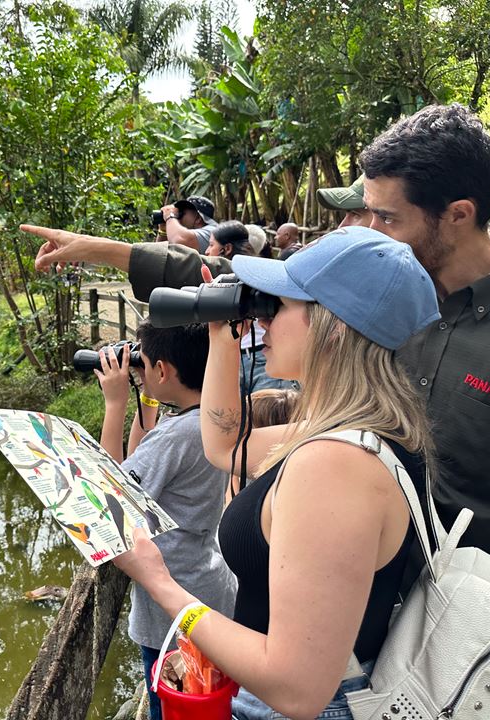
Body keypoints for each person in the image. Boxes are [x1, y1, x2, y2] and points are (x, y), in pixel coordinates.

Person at [24, 103, 490, 717]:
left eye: (385, 216)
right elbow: (225, 437)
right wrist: (113, 254)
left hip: (447, 638)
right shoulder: (378, 312)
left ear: (458, 214)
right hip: (349, 624)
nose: (367, 228)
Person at [114, 227, 440, 719]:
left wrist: (160, 582)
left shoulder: (334, 466)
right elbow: (225, 445)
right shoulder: (370, 428)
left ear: (331, 327)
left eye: (277, 306)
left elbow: (295, 689)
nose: (261, 322)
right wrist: (220, 337)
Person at [92, 321, 236, 720]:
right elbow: (141, 467)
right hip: (206, 577)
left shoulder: (176, 436)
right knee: (208, 699)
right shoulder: (212, 415)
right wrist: (147, 398)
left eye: (144, 361)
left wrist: (115, 404)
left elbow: (113, 493)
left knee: (173, 706)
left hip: (173, 597)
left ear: (161, 370)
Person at [207, 221, 296, 394]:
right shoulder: (219, 280)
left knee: (267, 411)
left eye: (211, 245)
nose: (207, 251)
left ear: (227, 248)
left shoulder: (258, 276)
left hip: (263, 357)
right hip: (234, 357)